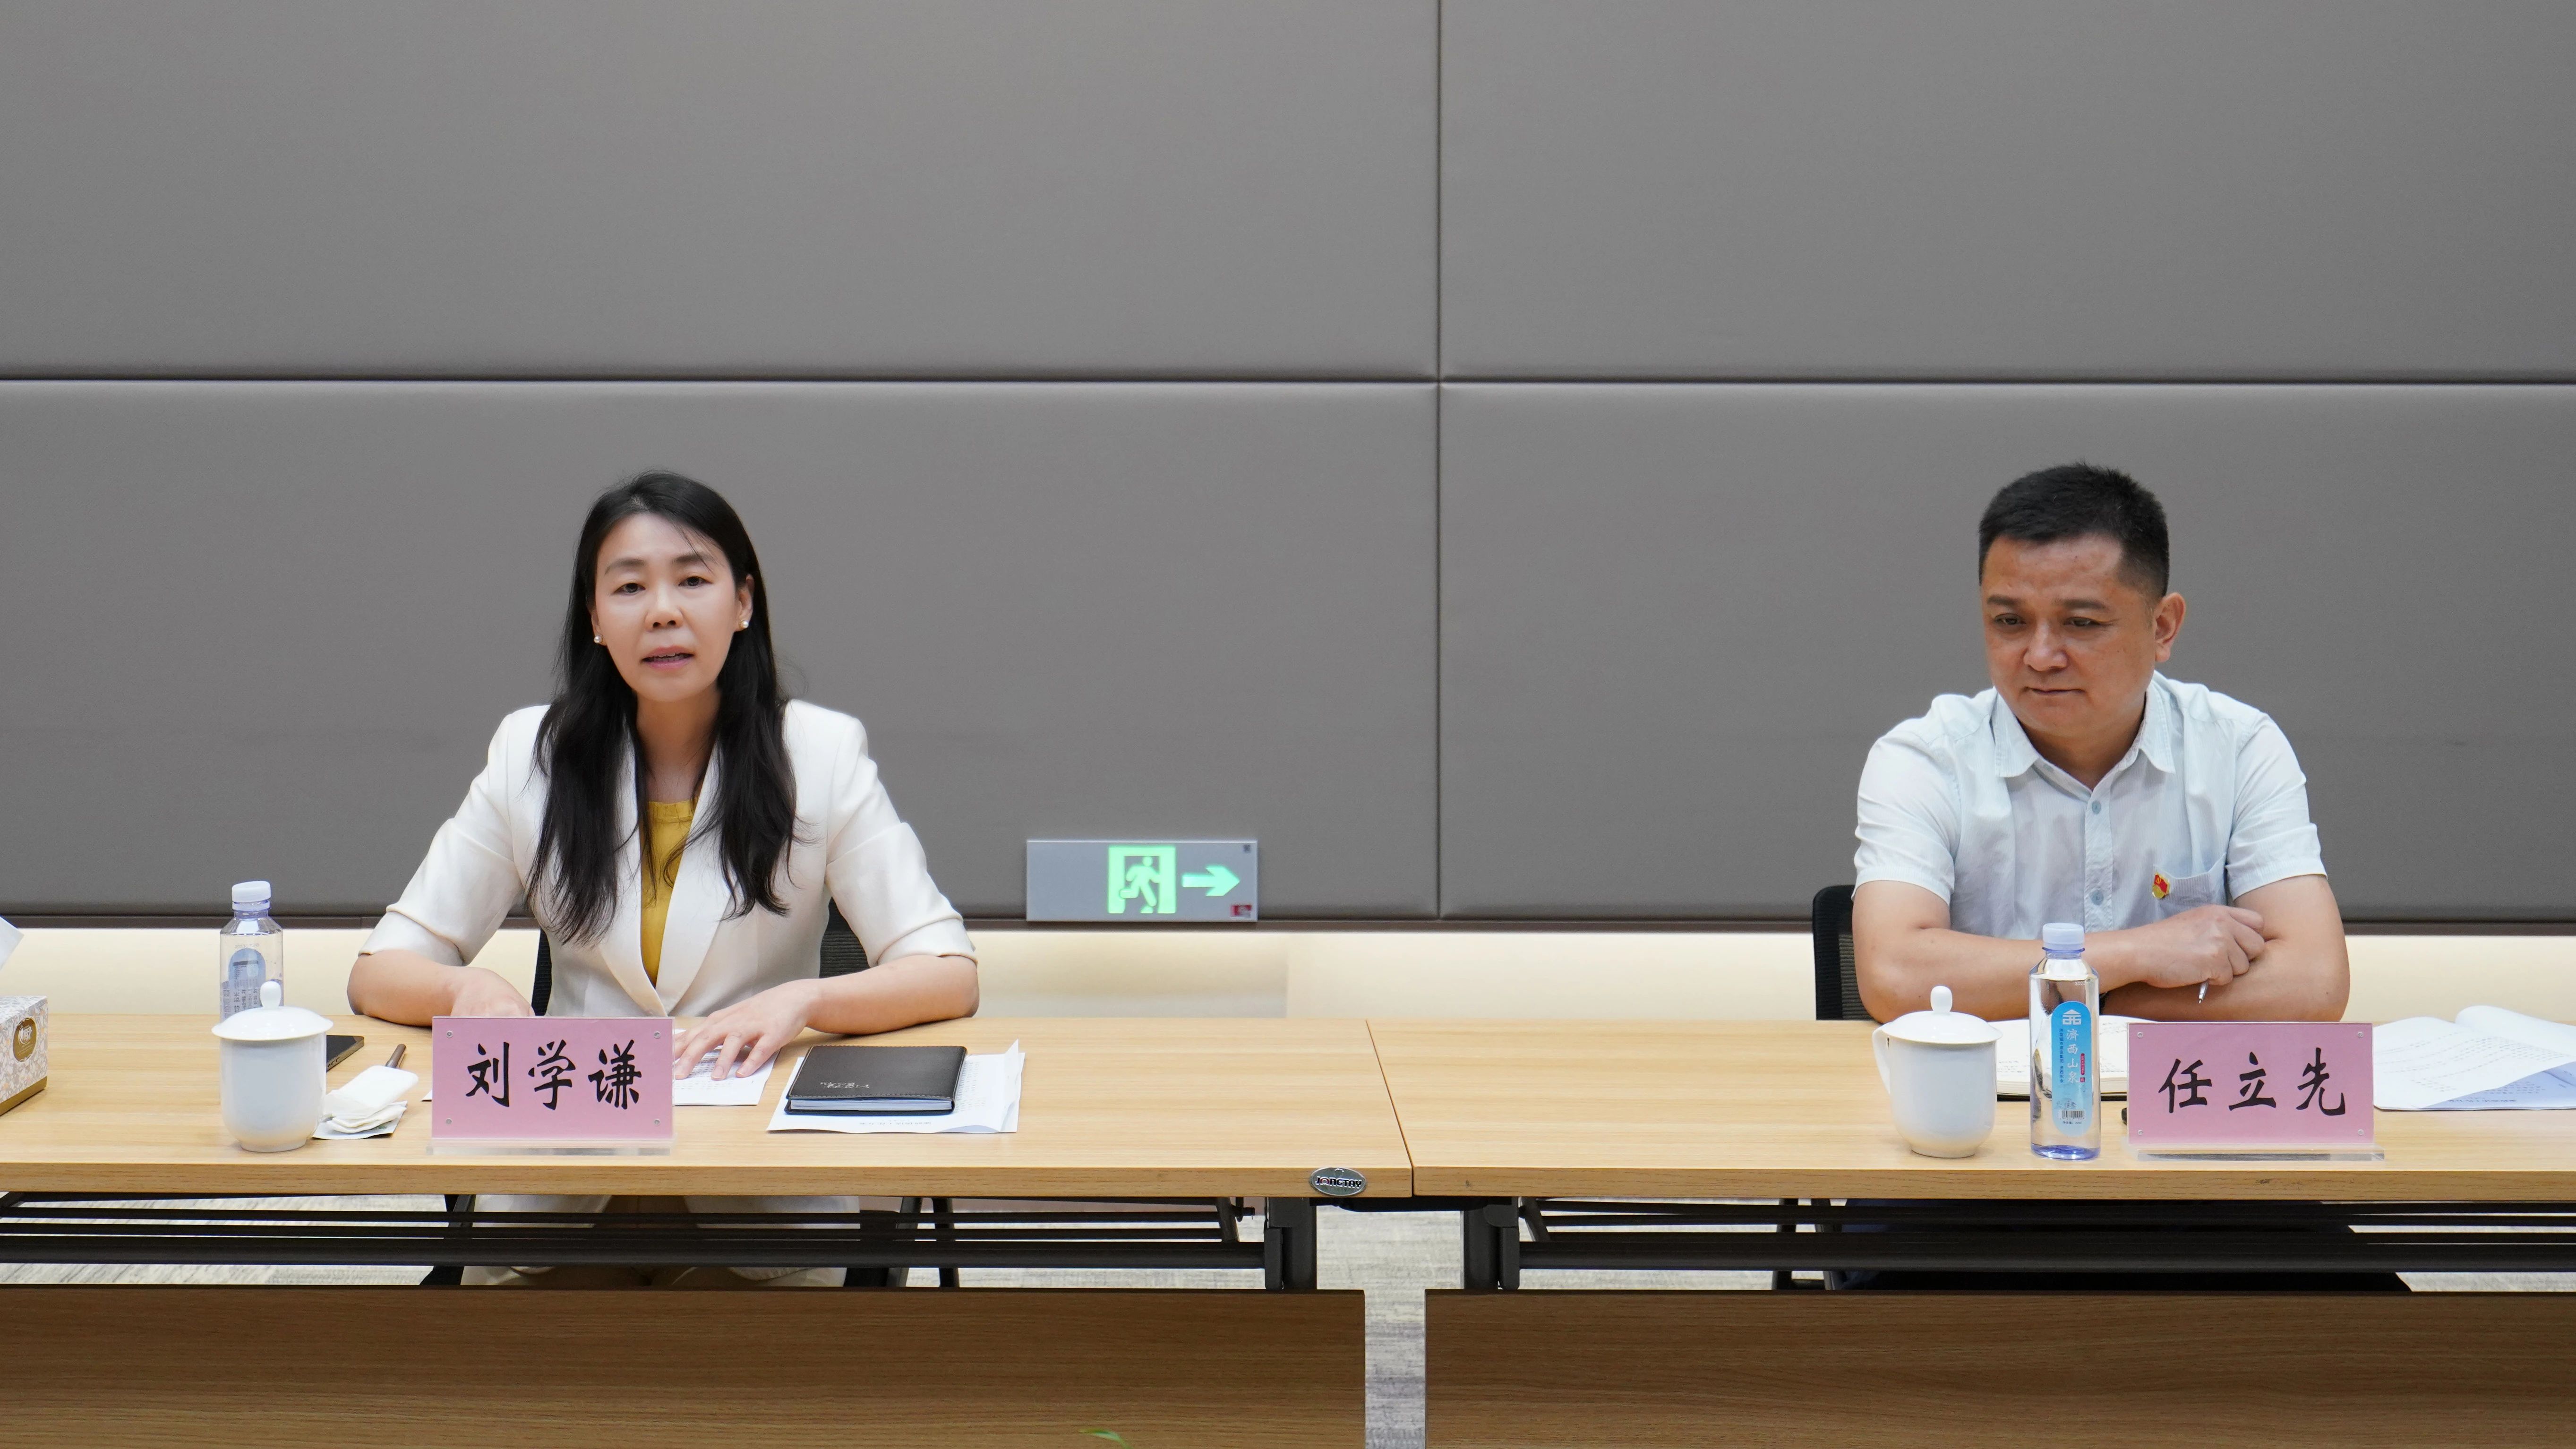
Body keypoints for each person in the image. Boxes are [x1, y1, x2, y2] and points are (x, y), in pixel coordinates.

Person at [350, 471, 978, 1286]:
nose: (662, 611)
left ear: (742, 602)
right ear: (594, 617)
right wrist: (462, 989)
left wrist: (803, 1001)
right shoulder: (531, 755)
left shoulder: (819, 753)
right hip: (560, 1185)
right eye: (629, 587)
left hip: (756, 1193)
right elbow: (378, 970)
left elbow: (946, 971)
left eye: (691, 580)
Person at [1853, 463, 2349, 1024]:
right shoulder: (1923, 759)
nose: (2040, 656)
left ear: (2162, 627)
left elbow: (2313, 982)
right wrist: (2138, 955)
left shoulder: (2238, 748)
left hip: (2166, 1082)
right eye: (2010, 621)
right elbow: (1894, 976)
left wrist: (2096, 998)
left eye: (2081, 624)